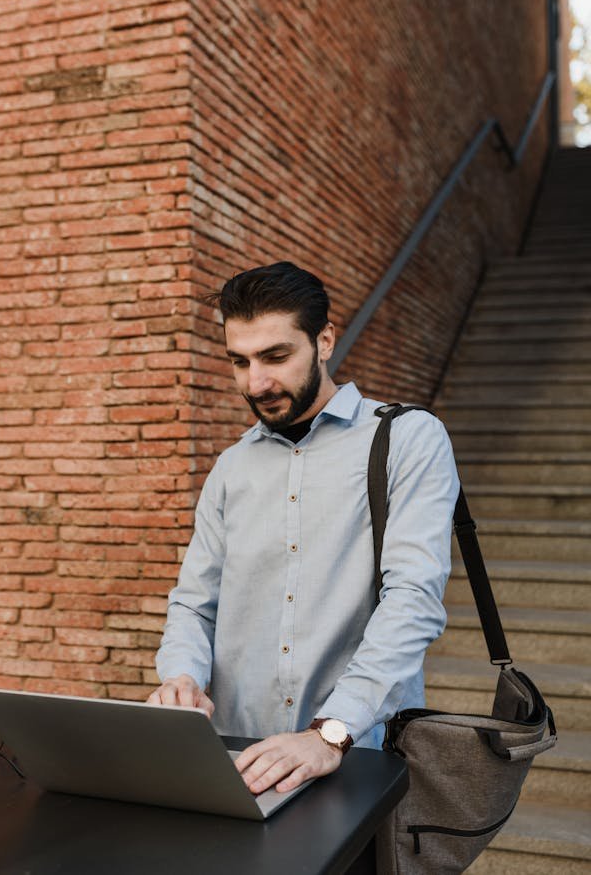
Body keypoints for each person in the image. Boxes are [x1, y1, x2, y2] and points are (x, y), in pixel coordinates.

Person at [148, 260, 459, 807]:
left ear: (325, 340)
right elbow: (195, 603)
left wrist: (329, 733)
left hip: (356, 760)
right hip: (237, 761)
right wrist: (181, 676)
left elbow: (413, 599)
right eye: (240, 361)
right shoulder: (230, 468)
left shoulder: (408, 439)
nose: (256, 383)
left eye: (275, 356)